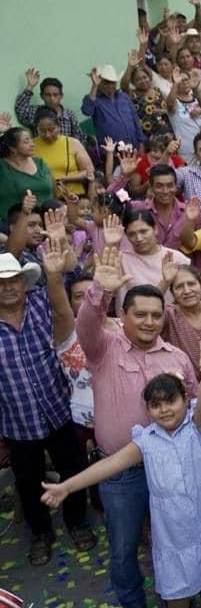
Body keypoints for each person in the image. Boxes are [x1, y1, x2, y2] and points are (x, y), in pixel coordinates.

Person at [42, 367, 201, 608]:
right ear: (148, 409)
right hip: (173, 532)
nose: (164, 409)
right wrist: (67, 487)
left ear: (184, 399)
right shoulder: (145, 442)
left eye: (171, 401)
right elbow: (108, 466)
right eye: (156, 404)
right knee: (176, 585)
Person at [77, 245, 198, 608]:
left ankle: (177, 593)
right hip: (121, 471)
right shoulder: (103, 350)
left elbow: (196, 407)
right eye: (139, 314)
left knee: (174, 538)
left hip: (171, 469)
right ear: (122, 318)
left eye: (155, 314)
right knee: (124, 546)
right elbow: (85, 328)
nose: (149, 321)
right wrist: (99, 291)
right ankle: (132, 605)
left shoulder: (177, 358)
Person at [0, 226, 97, 567]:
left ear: (24, 282)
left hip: (59, 410)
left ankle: (77, 522)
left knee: (72, 470)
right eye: (2, 282)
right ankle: (41, 533)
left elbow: (65, 301)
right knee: (28, 483)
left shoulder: (42, 303)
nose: (9, 287)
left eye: (14, 280)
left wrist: (56, 269)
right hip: (17, 421)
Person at [31, 107, 94, 199]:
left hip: (74, 196)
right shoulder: (31, 145)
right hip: (46, 200)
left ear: (58, 126)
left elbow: (89, 171)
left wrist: (65, 178)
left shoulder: (72, 143)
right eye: (42, 131)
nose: (47, 135)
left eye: (51, 130)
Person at [81, 64, 144, 148]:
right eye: (106, 82)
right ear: (100, 83)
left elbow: (135, 119)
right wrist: (94, 85)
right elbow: (86, 111)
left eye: (113, 82)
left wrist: (141, 141)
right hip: (111, 152)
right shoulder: (94, 99)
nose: (110, 85)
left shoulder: (124, 97)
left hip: (133, 147)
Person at [0, 127, 55, 216]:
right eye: (26, 142)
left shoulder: (40, 163)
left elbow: (53, 190)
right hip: (13, 222)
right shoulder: (2, 166)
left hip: (45, 219)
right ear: (12, 148)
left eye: (31, 140)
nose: (32, 144)